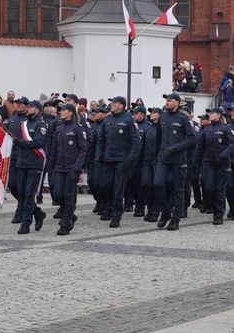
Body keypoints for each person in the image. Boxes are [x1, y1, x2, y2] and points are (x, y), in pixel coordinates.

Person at [95, 96, 139, 228]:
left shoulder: (128, 120)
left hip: (121, 160)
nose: (111, 105)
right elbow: (101, 140)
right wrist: (99, 154)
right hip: (107, 159)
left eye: (113, 103)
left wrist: (130, 159)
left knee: (118, 188)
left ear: (121, 105)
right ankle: (108, 207)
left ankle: (115, 215)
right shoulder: (107, 120)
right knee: (104, 185)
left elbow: (135, 142)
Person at [154, 93, 195, 231]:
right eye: (166, 100)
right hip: (163, 158)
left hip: (178, 159)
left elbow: (191, 139)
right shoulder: (163, 117)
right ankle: (165, 212)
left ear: (177, 103)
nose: (167, 102)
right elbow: (158, 138)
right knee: (158, 184)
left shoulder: (183, 119)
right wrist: (157, 156)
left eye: (170, 100)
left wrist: (175, 148)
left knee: (178, 189)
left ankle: (175, 219)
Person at [46, 103, 87, 235]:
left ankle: (65, 223)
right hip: (58, 167)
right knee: (57, 195)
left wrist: (77, 167)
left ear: (70, 112)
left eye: (63, 111)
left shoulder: (77, 128)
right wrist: (50, 167)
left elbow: (82, 150)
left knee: (67, 196)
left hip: (71, 168)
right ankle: (69, 214)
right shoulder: (59, 128)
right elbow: (54, 150)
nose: (61, 113)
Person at [194, 107, 234, 225]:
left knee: (219, 189)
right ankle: (213, 207)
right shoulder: (206, 129)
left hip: (221, 162)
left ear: (218, 115)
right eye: (209, 113)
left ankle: (218, 214)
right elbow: (200, 147)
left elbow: (233, 143)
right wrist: (196, 162)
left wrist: (223, 155)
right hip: (209, 162)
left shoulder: (225, 129)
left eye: (212, 113)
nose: (210, 115)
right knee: (209, 188)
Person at [13, 100, 48, 234]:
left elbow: (38, 143)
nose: (28, 109)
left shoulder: (41, 124)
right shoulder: (23, 124)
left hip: (34, 163)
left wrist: (21, 143)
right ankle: (38, 213)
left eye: (31, 107)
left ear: (38, 110)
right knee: (21, 193)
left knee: (29, 194)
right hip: (22, 162)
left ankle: (26, 223)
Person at [7, 96, 28, 223]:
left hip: (24, 156)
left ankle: (20, 210)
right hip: (12, 156)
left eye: (22, 104)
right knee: (12, 185)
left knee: (21, 186)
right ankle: (26, 206)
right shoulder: (12, 119)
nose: (19, 105)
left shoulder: (28, 119)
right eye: (17, 103)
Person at [140, 107, 161, 222]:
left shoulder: (163, 128)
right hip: (147, 161)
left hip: (158, 161)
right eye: (151, 112)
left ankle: (155, 211)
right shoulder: (148, 128)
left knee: (156, 186)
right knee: (146, 184)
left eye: (154, 112)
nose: (152, 114)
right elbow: (142, 145)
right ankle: (150, 208)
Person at [130, 106, 151, 218]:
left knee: (141, 185)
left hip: (143, 160)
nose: (134, 115)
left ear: (142, 114)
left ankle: (140, 207)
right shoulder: (132, 126)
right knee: (132, 184)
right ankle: (137, 204)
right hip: (132, 159)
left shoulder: (147, 127)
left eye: (136, 113)